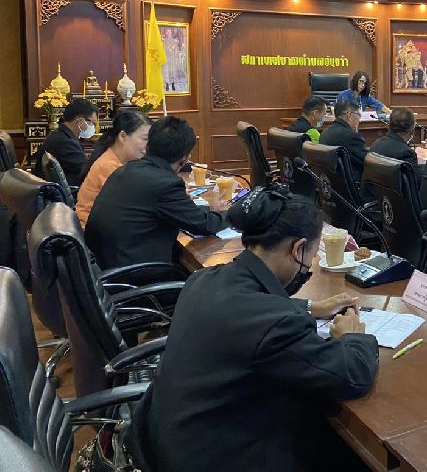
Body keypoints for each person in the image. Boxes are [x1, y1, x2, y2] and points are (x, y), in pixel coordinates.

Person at [133, 187, 378, 472]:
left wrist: (312, 307)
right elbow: (352, 376)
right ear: (298, 248)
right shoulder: (274, 323)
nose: (308, 266)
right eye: (311, 256)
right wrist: (352, 336)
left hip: (170, 443)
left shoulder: (203, 279)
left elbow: (250, 307)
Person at [85, 116, 227, 268]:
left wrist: (208, 210)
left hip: (107, 263)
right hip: (137, 270)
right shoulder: (166, 184)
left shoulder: (126, 168)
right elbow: (204, 226)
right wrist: (230, 214)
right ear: (185, 157)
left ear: (149, 145)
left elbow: (183, 213)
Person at [75, 110, 150, 227]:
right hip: (93, 230)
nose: (148, 145)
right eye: (145, 139)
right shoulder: (109, 166)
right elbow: (132, 207)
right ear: (123, 136)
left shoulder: (116, 160)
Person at [33, 97, 98, 186]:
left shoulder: (62, 135)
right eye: (91, 122)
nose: (93, 126)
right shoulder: (64, 142)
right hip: (74, 191)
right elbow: (87, 170)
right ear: (80, 121)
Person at [319, 98, 368, 184]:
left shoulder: (325, 132)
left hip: (331, 186)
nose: (360, 120)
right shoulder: (351, 136)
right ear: (349, 116)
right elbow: (368, 162)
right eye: (359, 115)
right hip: (353, 187)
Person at [370, 107, 421, 182]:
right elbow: (417, 182)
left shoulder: (376, 144)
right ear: (412, 129)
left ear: (389, 125)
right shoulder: (406, 153)